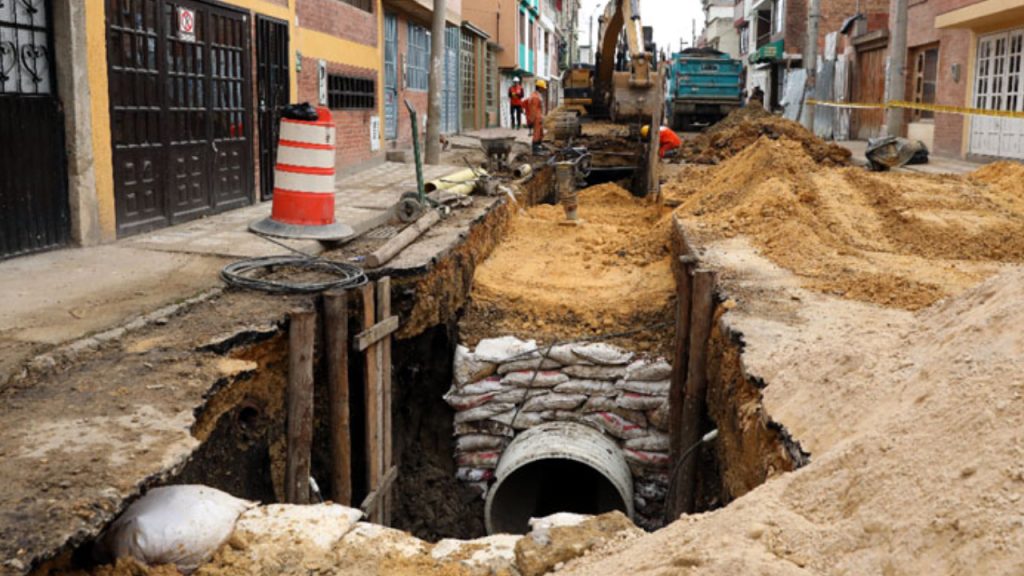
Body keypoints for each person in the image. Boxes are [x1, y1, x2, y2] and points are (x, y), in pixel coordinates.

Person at [525, 79, 548, 155]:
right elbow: (533, 110)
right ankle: (535, 150)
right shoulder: (535, 97)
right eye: (543, 88)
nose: (544, 89)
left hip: (538, 117)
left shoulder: (536, 95)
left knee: (540, 133)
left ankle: (539, 147)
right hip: (536, 118)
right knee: (537, 134)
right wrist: (531, 120)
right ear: (539, 87)